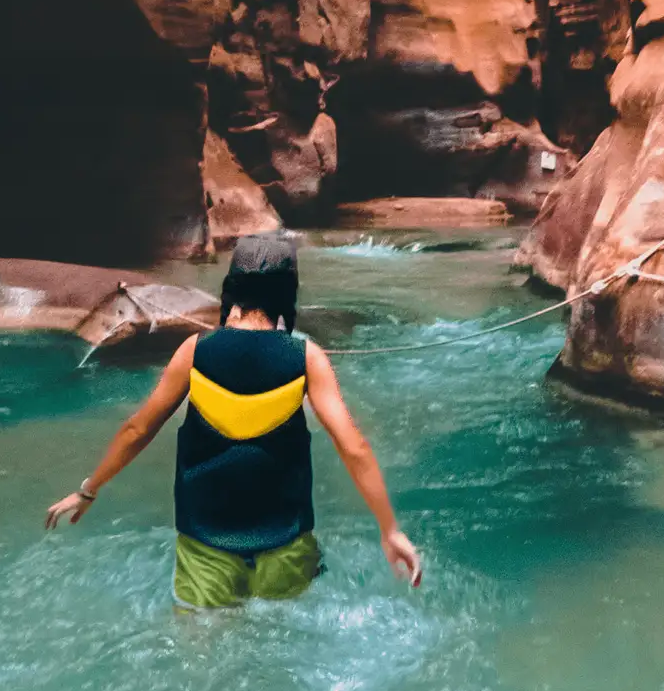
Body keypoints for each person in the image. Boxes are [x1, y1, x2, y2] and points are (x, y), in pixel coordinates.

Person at [44, 233, 422, 607]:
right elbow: (353, 446)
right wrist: (389, 529)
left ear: (232, 289)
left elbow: (137, 429)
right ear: (287, 292)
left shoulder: (194, 352)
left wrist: (88, 489)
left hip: (205, 545)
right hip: (285, 543)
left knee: (201, 647)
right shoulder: (307, 358)